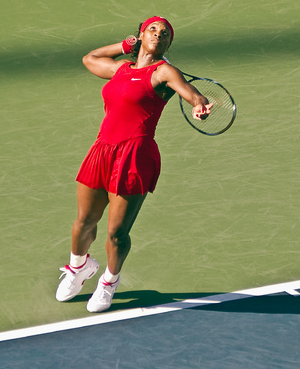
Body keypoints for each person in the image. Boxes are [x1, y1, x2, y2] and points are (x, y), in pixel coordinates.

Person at [56, 16, 212, 313]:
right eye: (152, 29)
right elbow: (90, 58)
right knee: (83, 223)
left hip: (135, 157)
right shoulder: (119, 69)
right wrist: (123, 45)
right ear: (141, 35)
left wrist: (199, 104)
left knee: (116, 233)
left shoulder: (164, 72)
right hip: (102, 150)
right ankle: (79, 268)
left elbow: (191, 93)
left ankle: (108, 282)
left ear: (168, 43)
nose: (158, 34)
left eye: (164, 33)